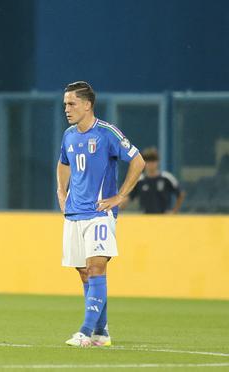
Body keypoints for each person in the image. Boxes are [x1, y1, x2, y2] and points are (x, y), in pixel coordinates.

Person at [57, 81, 145, 349]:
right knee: (84, 272)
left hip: (99, 214)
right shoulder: (69, 135)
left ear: (87, 104)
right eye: (65, 105)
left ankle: (85, 332)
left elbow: (138, 161)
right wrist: (61, 192)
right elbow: (63, 163)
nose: (67, 109)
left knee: (96, 267)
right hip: (74, 213)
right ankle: (101, 332)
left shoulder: (107, 133)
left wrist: (120, 196)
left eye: (71, 104)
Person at [127, 147, 185, 214]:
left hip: (164, 218)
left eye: (153, 161)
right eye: (148, 161)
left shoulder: (166, 178)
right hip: (145, 218)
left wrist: (174, 211)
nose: (151, 164)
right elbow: (128, 198)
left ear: (158, 162)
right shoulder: (139, 180)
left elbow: (181, 194)